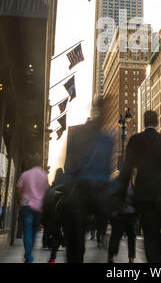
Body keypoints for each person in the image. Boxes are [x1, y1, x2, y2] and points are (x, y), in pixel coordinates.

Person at [119, 110, 161, 263]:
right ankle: (156, 261)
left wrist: (121, 197)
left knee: (148, 232)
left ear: (144, 122)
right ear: (157, 121)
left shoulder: (135, 140)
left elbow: (126, 170)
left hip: (143, 195)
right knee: (155, 231)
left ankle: (154, 261)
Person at [59, 100, 116, 263]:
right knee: (75, 237)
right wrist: (70, 185)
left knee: (115, 218)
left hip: (99, 191)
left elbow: (108, 171)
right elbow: (69, 163)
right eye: (103, 111)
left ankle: (106, 250)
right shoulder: (80, 134)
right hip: (81, 188)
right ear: (97, 111)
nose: (105, 115)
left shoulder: (108, 139)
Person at [16, 154, 49, 263]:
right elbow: (46, 192)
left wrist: (19, 202)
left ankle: (28, 256)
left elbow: (18, 189)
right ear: (41, 163)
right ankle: (28, 255)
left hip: (26, 206)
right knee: (33, 233)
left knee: (27, 232)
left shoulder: (25, 174)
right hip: (38, 208)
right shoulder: (44, 176)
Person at [108, 183, 136, 263]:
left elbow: (136, 200)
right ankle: (111, 255)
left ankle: (131, 258)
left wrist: (136, 213)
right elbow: (112, 199)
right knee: (116, 236)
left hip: (130, 215)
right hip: (119, 215)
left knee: (131, 236)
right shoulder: (117, 185)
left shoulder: (133, 187)